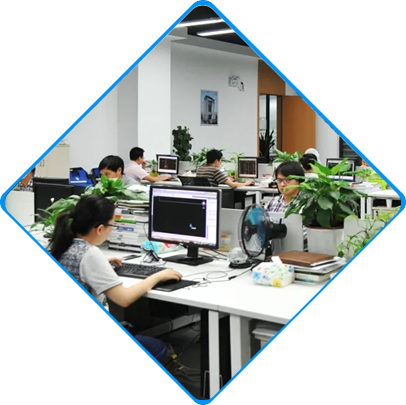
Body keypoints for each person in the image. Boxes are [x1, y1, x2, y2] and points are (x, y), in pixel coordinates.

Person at [48, 194, 182, 363]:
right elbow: (124, 299)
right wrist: (159, 275)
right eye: (112, 224)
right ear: (99, 229)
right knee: (159, 348)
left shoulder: (62, 245)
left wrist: (100, 265)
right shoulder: (90, 254)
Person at [266, 161, 308, 251]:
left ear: (299, 180)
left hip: (299, 252)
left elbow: (308, 235)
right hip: (275, 251)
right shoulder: (272, 202)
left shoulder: (306, 203)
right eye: (279, 180)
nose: (282, 184)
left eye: (287, 180)